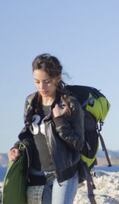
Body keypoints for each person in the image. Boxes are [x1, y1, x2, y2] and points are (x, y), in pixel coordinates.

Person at [8, 53, 84, 203]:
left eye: (46, 81)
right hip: (36, 175)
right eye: (37, 81)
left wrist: (60, 121)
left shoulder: (70, 104)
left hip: (63, 175)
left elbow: (79, 144)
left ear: (57, 78)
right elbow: (29, 135)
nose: (41, 87)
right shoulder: (31, 102)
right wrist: (17, 147)